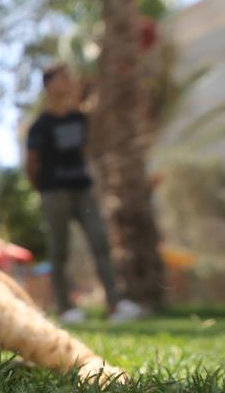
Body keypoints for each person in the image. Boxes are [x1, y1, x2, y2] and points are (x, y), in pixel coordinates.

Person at [26, 64, 145, 324]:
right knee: (59, 251)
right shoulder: (40, 126)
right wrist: (44, 189)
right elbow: (31, 164)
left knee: (101, 242)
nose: (69, 81)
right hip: (54, 193)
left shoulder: (79, 118)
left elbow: (85, 149)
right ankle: (66, 308)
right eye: (62, 77)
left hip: (83, 190)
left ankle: (116, 304)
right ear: (49, 85)